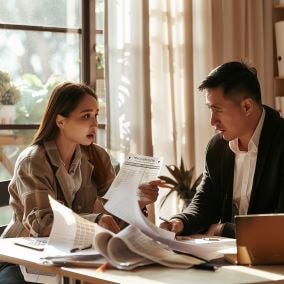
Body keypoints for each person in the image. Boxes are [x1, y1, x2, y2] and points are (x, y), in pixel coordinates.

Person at [0, 81, 161, 283]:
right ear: (60, 121)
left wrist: (136, 202)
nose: (94, 123)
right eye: (86, 116)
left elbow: (111, 220)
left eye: (96, 115)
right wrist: (96, 220)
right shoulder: (34, 160)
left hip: (77, 257)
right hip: (24, 260)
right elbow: (41, 223)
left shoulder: (97, 156)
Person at [160, 61, 284, 238]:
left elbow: (279, 225)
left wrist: (221, 229)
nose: (212, 121)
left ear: (247, 106)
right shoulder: (217, 147)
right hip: (228, 257)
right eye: (210, 109)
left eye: (217, 110)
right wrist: (180, 221)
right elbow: (205, 202)